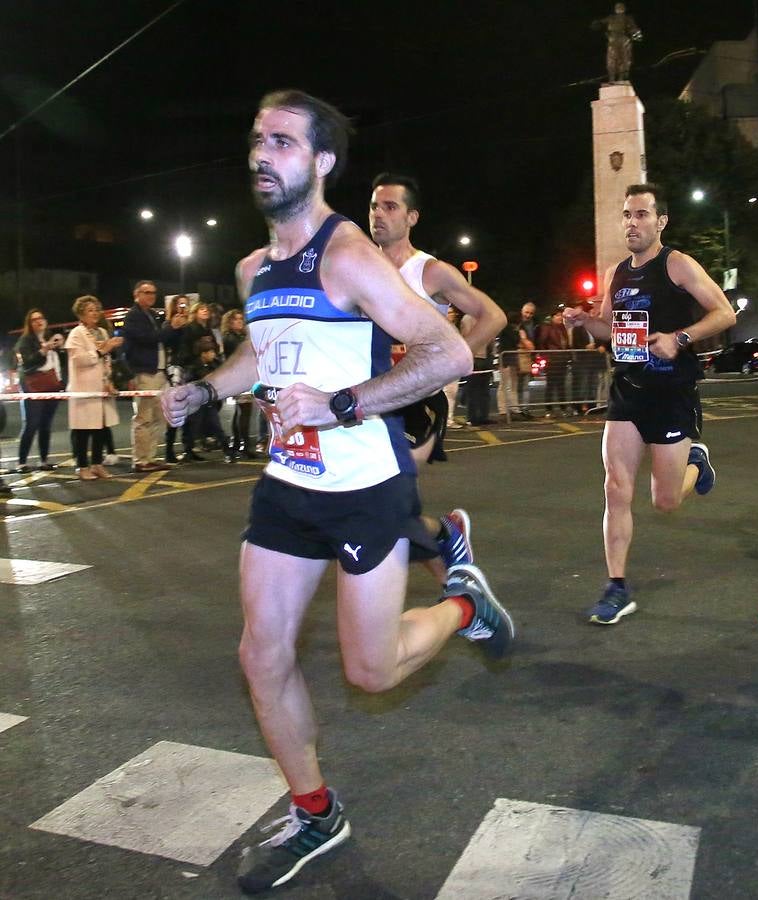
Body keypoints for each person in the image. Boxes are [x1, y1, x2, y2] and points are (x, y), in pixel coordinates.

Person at [160, 90, 513, 895]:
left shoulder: (349, 253)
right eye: (257, 138)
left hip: (362, 486)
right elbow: (264, 351)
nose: (261, 154)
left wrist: (342, 403)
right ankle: (316, 812)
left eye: (281, 142)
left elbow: (446, 354)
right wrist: (207, 393)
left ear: (320, 163)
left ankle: (463, 604)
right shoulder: (254, 267)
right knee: (261, 651)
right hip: (287, 486)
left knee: (371, 673)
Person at [563, 182, 736, 623]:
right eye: (626, 215)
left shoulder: (676, 264)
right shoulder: (616, 273)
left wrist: (679, 338)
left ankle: (697, 462)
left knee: (665, 502)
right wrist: (586, 322)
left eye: (641, 215)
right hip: (626, 390)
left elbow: (724, 313)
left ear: (660, 222)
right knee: (615, 487)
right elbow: (609, 331)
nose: (632, 223)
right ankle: (616, 586)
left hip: (672, 392)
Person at [368, 171, 506, 575]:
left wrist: (450, 359)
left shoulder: (429, 271)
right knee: (385, 512)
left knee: (385, 503)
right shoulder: (358, 267)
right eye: (374, 206)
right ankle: (448, 546)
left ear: (412, 217)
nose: (379, 214)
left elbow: (493, 316)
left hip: (418, 400)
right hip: (370, 398)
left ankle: (460, 591)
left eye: (390, 207)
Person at [122, 281, 185, 471]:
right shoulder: (133, 316)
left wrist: (177, 328)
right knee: (143, 417)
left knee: (159, 416)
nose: (151, 295)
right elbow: (148, 339)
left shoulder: (152, 315)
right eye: (146, 292)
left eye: (153, 293)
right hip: (145, 372)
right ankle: (140, 460)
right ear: (136, 294)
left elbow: (164, 340)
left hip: (159, 371)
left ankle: (150, 457)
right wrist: (170, 327)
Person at [64, 295, 123, 480]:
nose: (95, 313)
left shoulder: (103, 333)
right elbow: (78, 359)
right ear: (81, 314)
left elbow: (107, 362)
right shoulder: (76, 333)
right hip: (84, 387)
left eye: (96, 309)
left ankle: (97, 464)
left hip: (100, 388)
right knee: (83, 430)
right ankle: (82, 466)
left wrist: (109, 380)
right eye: (90, 310)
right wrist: (101, 350)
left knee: (99, 428)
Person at [15, 309, 64, 473]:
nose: (38, 321)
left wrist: (59, 345)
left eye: (41, 318)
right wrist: (43, 350)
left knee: (46, 424)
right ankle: (22, 462)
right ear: (29, 324)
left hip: (52, 385)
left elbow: (59, 362)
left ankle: (44, 460)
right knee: (31, 424)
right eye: (34, 319)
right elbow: (27, 364)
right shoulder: (25, 341)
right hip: (33, 386)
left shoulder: (47, 338)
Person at [221, 308, 257, 460]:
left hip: (244, 375)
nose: (239, 322)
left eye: (240, 319)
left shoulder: (240, 336)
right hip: (238, 376)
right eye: (235, 319)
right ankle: (244, 444)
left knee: (242, 411)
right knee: (244, 411)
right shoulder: (230, 338)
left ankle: (238, 443)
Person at [591, 2, 643, 83]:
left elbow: (633, 28)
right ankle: (611, 78)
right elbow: (600, 23)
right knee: (611, 60)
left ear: (624, 9)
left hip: (623, 39)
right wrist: (597, 23)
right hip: (612, 40)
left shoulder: (627, 18)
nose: (619, 8)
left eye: (621, 7)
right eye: (618, 7)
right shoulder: (611, 18)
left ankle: (621, 78)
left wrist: (637, 35)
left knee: (623, 59)